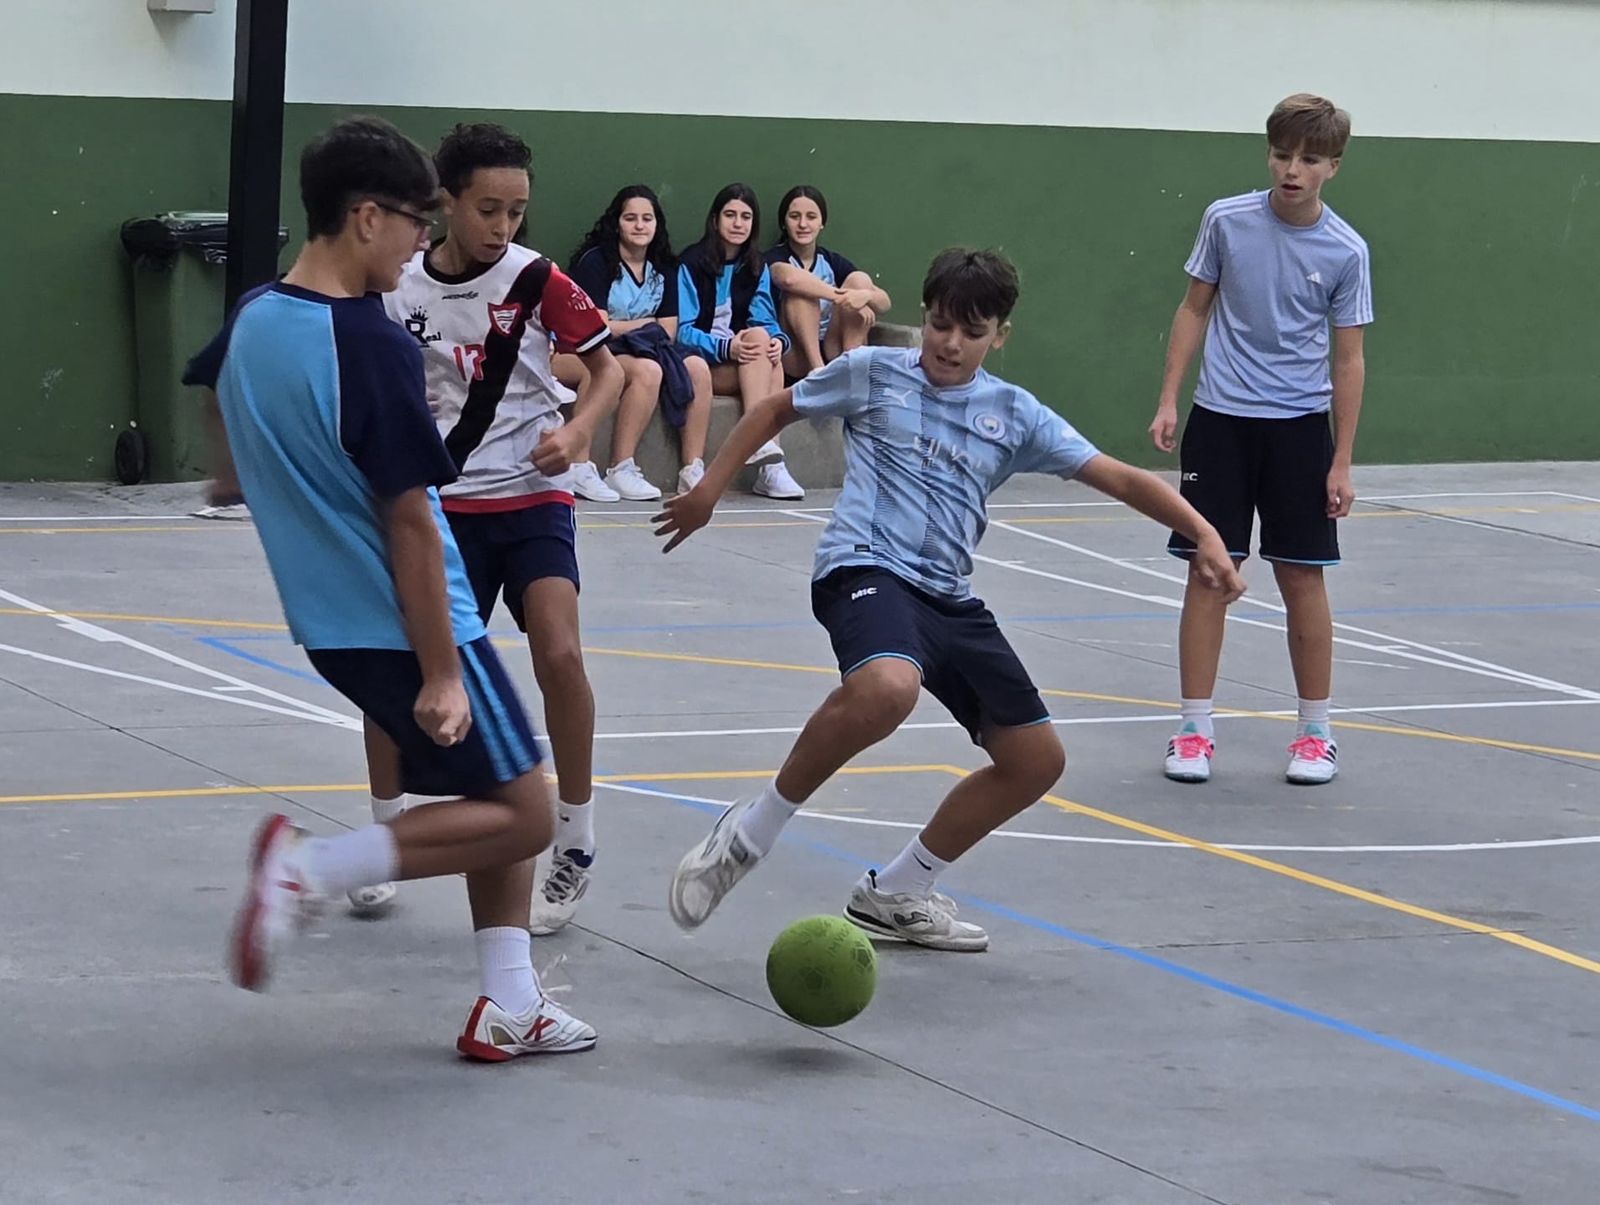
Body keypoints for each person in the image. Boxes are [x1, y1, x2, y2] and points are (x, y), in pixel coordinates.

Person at [653, 249, 1245, 951]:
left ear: (999, 335)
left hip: (947, 596)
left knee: (1036, 760)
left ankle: (899, 888)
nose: (950, 344)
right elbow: (775, 408)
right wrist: (707, 492)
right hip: (863, 566)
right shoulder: (874, 373)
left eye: (971, 331)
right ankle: (751, 832)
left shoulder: (1014, 414)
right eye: (938, 325)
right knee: (889, 685)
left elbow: (1117, 476)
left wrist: (1204, 532)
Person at [184, 115, 595, 1058]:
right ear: (365, 217)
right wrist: (443, 669)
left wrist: (232, 473)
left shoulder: (257, 315)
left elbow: (213, 391)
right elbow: (411, 520)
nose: (422, 239)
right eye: (415, 220)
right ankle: (310, 871)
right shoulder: (366, 341)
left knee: (494, 782)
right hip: (409, 618)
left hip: (332, 624)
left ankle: (511, 1001)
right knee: (527, 810)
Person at [382, 122, 623, 934]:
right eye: (489, 208)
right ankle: (386, 831)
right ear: (447, 201)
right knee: (404, 672)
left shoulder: (538, 279)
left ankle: (576, 837)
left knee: (559, 652)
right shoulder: (399, 286)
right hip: (442, 508)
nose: (504, 226)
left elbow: (609, 366)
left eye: (517, 211)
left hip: (531, 497)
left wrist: (582, 428)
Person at [1148, 93, 1371, 787]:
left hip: (1301, 429)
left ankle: (1315, 733)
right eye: (1282, 155)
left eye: (1308, 158)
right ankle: (1193, 729)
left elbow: (1348, 358)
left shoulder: (1346, 250)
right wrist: (1169, 400)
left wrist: (1341, 457)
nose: (1292, 169)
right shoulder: (1226, 220)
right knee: (1208, 569)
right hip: (1220, 422)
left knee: (1302, 574)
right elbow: (1193, 309)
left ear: (1332, 166)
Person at [565, 185, 714, 500]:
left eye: (647, 218)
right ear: (616, 223)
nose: (639, 225)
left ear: (657, 224)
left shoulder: (664, 267)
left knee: (698, 368)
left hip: (643, 347)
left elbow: (670, 329)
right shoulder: (596, 262)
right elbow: (597, 327)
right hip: (579, 350)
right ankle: (599, 467)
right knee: (646, 371)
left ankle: (692, 469)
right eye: (630, 218)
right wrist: (645, 324)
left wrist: (635, 329)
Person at [676, 183, 804, 500]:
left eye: (746, 217)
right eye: (730, 215)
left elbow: (765, 319)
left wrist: (779, 341)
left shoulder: (756, 265)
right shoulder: (691, 263)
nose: (738, 223)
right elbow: (683, 330)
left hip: (743, 362)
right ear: (716, 219)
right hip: (702, 362)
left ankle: (770, 465)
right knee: (767, 362)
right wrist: (726, 347)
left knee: (768, 347)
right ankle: (765, 450)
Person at [764, 184, 891, 380]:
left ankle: (852, 368)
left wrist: (865, 296)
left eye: (811, 217)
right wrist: (846, 298)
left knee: (860, 280)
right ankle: (820, 376)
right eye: (795, 216)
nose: (803, 224)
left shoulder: (831, 261)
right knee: (802, 295)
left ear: (822, 222)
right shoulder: (774, 257)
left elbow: (884, 303)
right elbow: (789, 279)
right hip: (798, 355)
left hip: (834, 348)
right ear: (784, 222)